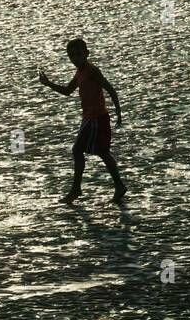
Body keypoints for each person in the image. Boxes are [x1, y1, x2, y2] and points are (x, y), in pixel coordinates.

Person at [38, 38, 126, 204]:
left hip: (96, 119)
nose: (75, 58)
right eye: (71, 55)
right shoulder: (79, 73)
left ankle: (76, 189)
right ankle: (118, 185)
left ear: (86, 53)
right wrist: (48, 83)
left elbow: (109, 88)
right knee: (101, 152)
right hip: (90, 118)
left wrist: (118, 111)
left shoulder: (92, 70)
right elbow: (67, 91)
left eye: (78, 54)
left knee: (79, 150)